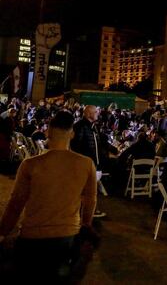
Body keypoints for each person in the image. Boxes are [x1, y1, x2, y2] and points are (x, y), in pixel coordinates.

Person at [0, 110, 97, 283]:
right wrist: (86, 224)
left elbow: (16, 204)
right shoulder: (86, 164)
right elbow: (90, 200)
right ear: (72, 134)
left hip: (32, 238)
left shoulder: (30, 165)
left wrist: (2, 232)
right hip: (67, 236)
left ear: (48, 133)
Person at [70, 105, 106, 218]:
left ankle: (88, 211)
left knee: (91, 191)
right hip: (86, 164)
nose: (97, 114)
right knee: (87, 191)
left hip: (95, 163)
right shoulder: (80, 126)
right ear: (89, 113)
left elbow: (98, 144)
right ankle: (85, 214)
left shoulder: (93, 126)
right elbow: (76, 146)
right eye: (95, 112)